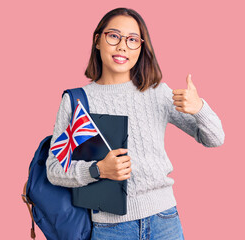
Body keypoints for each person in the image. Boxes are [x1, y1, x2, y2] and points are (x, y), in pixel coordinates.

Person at [46, 7, 225, 240]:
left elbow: (215, 138)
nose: (122, 46)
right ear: (97, 40)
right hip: (110, 228)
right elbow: (54, 170)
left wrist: (199, 108)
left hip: (165, 222)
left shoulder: (158, 93)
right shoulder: (77, 101)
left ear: (141, 48)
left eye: (132, 40)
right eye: (114, 36)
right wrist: (98, 170)